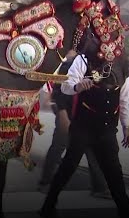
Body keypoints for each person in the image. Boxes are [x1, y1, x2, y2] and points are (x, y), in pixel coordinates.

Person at [38, 0, 129, 218]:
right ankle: (48, 208)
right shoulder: (84, 59)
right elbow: (66, 87)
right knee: (67, 167)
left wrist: (126, 125)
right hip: (84, 126)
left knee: (115, 175)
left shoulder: (122, 63)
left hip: (107, 128)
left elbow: (124, 97)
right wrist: (79, 86)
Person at [38, 49, 111, 198]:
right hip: (67, 110)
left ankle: (100, 186)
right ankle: (45, 182)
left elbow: (96, 85)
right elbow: (59, 91)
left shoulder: (90, 63)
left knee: (90, 148)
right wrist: (62, 111)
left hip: (82, 113)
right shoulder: (70, 64)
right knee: (60, 145)